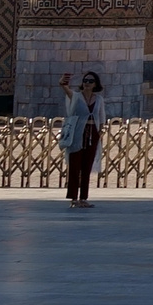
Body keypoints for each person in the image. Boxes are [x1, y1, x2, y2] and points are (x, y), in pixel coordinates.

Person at [57, 72, 104, 209]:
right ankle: (73, 198)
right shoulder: (76, 97)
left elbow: (101, 117)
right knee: (75, 166)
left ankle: (83, 198)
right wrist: (63, 83)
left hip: (92, 134)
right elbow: (66, 89)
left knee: (86, 167)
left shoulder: (99, 99)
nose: (87, 83)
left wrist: (100, 132)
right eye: (85, 80)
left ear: (95, 84)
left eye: (90, 81)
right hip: (77, 134)